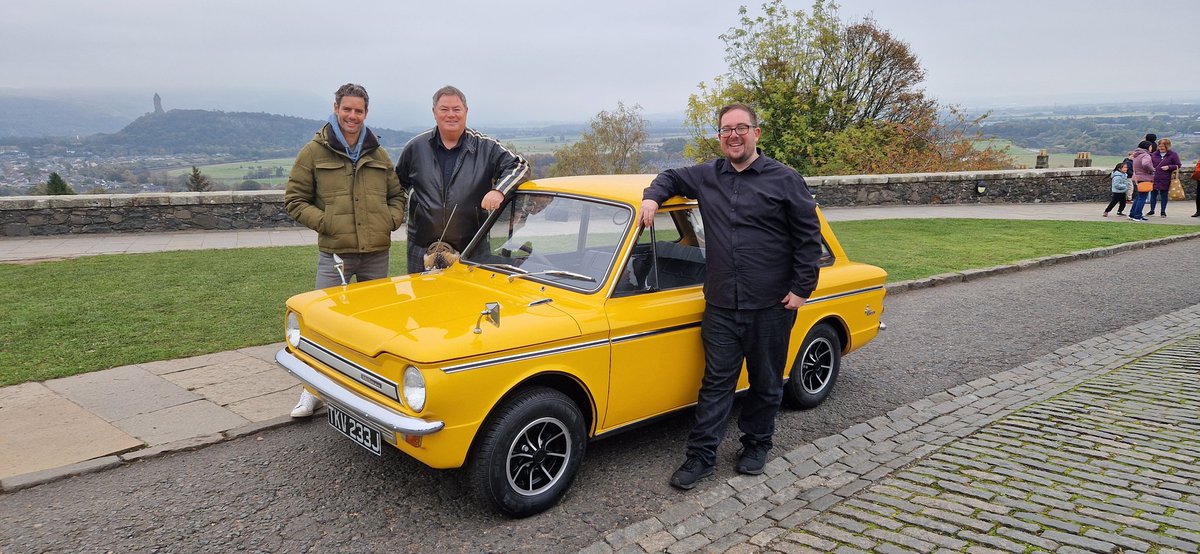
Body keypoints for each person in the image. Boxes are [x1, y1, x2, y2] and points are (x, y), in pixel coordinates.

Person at [641, 103, 824, 490]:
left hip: (772, 303)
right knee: (716, 383)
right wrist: (651, 198)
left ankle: (756, 446)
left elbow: (809, 238)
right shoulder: (708, 175)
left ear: (757, 133)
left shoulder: (785, 178)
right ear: (720, 137)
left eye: (742, 128)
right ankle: (701, 457)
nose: (734, 135)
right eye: (726, 130)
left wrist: (800, 290)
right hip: (722, 303)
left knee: (766, 381)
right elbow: (670, 175)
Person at [284, 83, 405, 417]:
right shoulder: (314, 152)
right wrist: (326, 222)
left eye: (359, 111)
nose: (353, 116)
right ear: (336, 107)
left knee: (375, 329)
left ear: (366, 113)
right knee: (320, 324)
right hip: (335, 253)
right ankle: (311, 391)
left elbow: (398, 197)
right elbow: (294, 200)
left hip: (376, 252)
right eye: (347, 109)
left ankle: (369, 392)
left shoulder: (377, 153)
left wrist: (389, 221)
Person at [395, 86, 529, 274]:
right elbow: (396, 187)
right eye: (444, 109)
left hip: (471, 247)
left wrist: (499, 190)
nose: (451, 115)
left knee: (469, 301)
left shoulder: (485, 147)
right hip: (421, 247)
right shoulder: (415, 147)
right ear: (434, 112)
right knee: (422, 301)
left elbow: (520, 166)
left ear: (466, 111)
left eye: (457, 109)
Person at [1147, 138, 1182, 217]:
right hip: (1154, 177)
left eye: (1163, 147)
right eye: (1159, 146)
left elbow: (1178, 165)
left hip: (1166, 177)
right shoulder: (1154, 154)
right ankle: (1152, 210)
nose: (1161, 148)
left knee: (1164, 195)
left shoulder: (1173, 154)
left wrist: (1169, 167)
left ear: (1167, 146)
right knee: (1153, 194)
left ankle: (1163, 211)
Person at [1128, 140, 1155, 222]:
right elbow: (1146, 164)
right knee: (1142, 198)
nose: (1151, 148)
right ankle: (1137, 215)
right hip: (1144, 177)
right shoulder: (1145, 155)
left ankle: (1132, 214)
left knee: (1138, 197)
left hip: (1137, 177)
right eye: (1150, 146)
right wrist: (1152, 170)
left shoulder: (1137, 155)